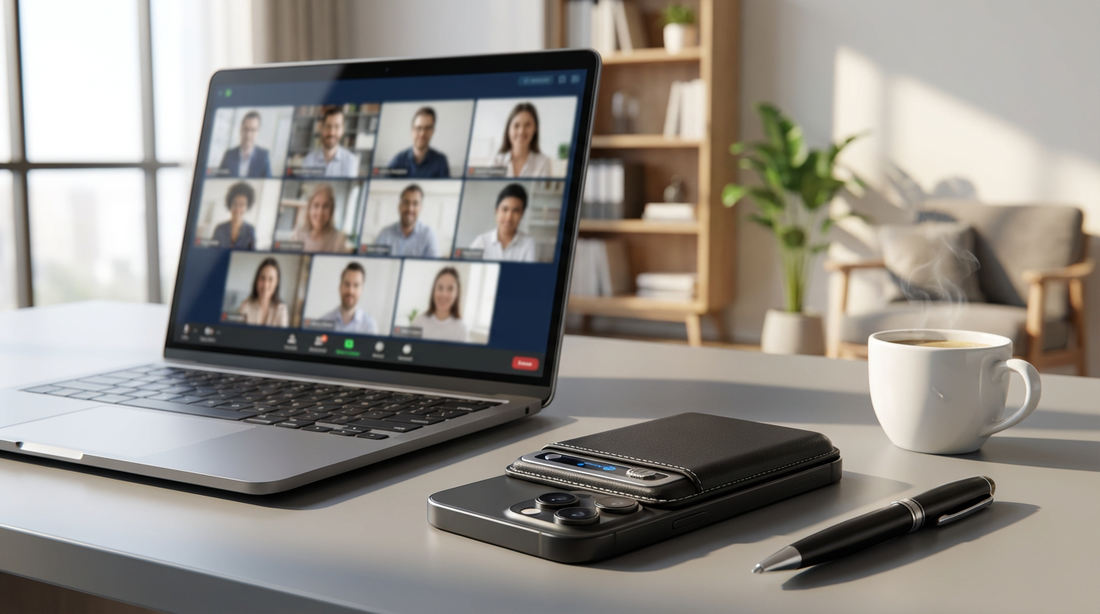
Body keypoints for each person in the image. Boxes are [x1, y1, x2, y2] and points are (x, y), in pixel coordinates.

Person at [469, 183, 537, 262]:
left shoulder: (528, 244)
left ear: (522, 214)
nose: (509, 217)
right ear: (496, 211)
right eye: (505, 209)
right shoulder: (481, 242)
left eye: (516, 211)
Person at [372, 184, 439, 258]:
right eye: (406, 202)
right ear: (399, 206)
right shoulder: (385, 233)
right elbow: (375, 260)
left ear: (420, 207)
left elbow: (433, 264)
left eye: (415, 204)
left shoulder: (429, 235)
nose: (410, 208)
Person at [491, 102, 552, 178]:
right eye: (516, 125)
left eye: (527, 125)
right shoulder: (496, 161)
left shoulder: (543, 163)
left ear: (535, 128)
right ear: (508, 129)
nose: (521, 131)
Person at [386, 107, 450, 178]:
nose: (422, 133)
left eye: (427, 128)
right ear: (412, 130)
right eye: (419, 128)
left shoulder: (440, 161)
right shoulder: (399, 160)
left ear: (432, 131)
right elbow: (383, 182)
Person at [315, 262, 378, 334]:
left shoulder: (369, 325)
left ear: (362, 289)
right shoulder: (323, 322)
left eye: (356, 285)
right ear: (340, 286)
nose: (350, 291)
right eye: (347, 284)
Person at [411, 267, 468, 342]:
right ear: (434, 290)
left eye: (450, 289)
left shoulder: (461, 329)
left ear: (457, 294)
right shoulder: (418, 322)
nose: (444, 294)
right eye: (440, 288)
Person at [289, 183, 350, 253]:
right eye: (316, 205)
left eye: (325, 206)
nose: (320, 212)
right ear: (309, 208)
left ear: (332, 210)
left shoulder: (338, 239)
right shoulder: (298, 234)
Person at [300, 107, 360, 177]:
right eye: (328, 126)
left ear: (342, 130)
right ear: (321, 128)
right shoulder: (308, 160)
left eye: (337, 126)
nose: (331, 132)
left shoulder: (351, 161)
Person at [237, 257, 289, 327]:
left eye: (270, 279)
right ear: (256, 280)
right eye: (262, 278)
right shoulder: (245, 306)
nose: (265, 284)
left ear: (276, 283)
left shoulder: (281, 309)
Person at [218, 111, 272, 178]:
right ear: (241, 130)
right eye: (246, 129)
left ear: (258, 132)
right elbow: (219, 178)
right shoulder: (229, 155)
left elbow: (268, 181)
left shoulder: (264, 156)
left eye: (253, 130)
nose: (248, 134)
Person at [211, 182, 257, 249]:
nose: (237, 208)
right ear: (230, 204)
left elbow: (251, 253)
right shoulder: (220, 229)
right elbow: (212, 250)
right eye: (235, 203)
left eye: (241, 204)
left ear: (247, 207)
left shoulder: (250, 230)